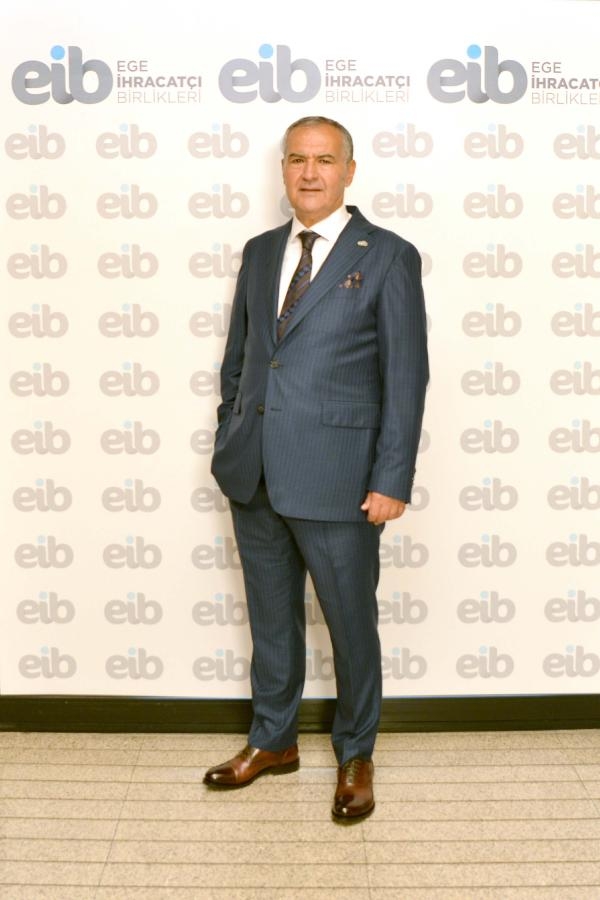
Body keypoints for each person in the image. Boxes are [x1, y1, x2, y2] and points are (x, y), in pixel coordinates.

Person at [204, 115, 428, 819]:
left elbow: (407, 376)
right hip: (254, 475)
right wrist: (231, 433)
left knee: (350, 625)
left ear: (349, 171)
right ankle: (273, 741)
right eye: (297, 159)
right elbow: (242, 359)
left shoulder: (388, 255)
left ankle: (356, 752)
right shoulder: (260, 251)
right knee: (271, 623)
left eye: (324, 160)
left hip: (340, 480)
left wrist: (391, 478)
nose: (309, 173)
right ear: (283, 169)